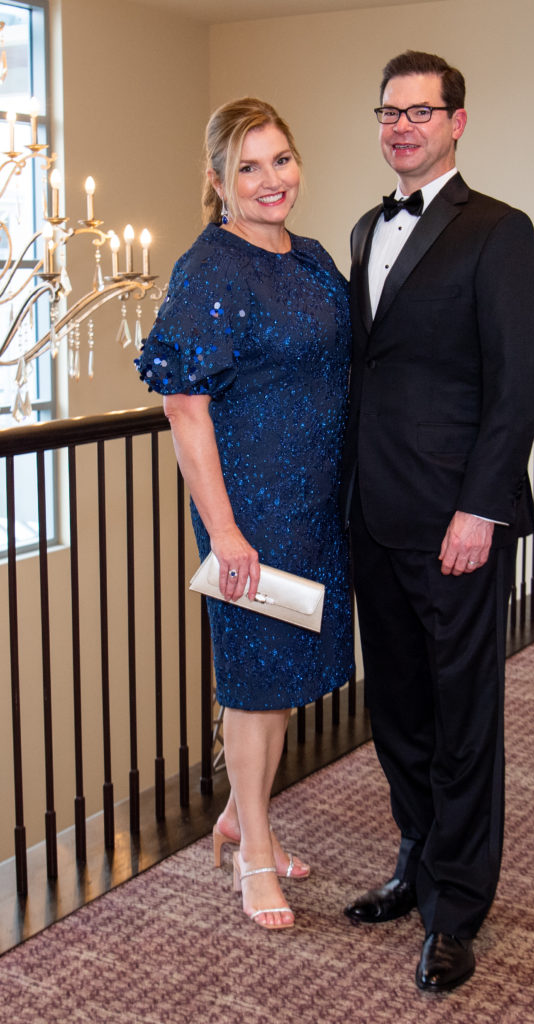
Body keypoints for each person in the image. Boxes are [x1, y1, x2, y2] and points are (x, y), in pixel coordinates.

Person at [341, 51, 534, 990]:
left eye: (420, 111)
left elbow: (515, 382)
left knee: (462, 715)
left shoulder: (498, 230)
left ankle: (457, 907)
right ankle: (417, 861)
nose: (401, 126)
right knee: (396, 708)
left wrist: (479, 507)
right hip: (373, 515)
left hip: (455, 522)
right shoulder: (363, 228)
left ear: (456, 122)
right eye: (389, 111)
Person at [137, 97, 354, 931]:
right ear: (218, 180)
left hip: (314, 504)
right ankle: (254, 853)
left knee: (285, 678)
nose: (271, 180)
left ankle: (239, 814)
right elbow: (184, 409)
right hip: (250, 510)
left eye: (281, 160)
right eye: (249, 167)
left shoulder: (312, 258)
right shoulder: (208, 268)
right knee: (255, 683)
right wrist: (224, 532)